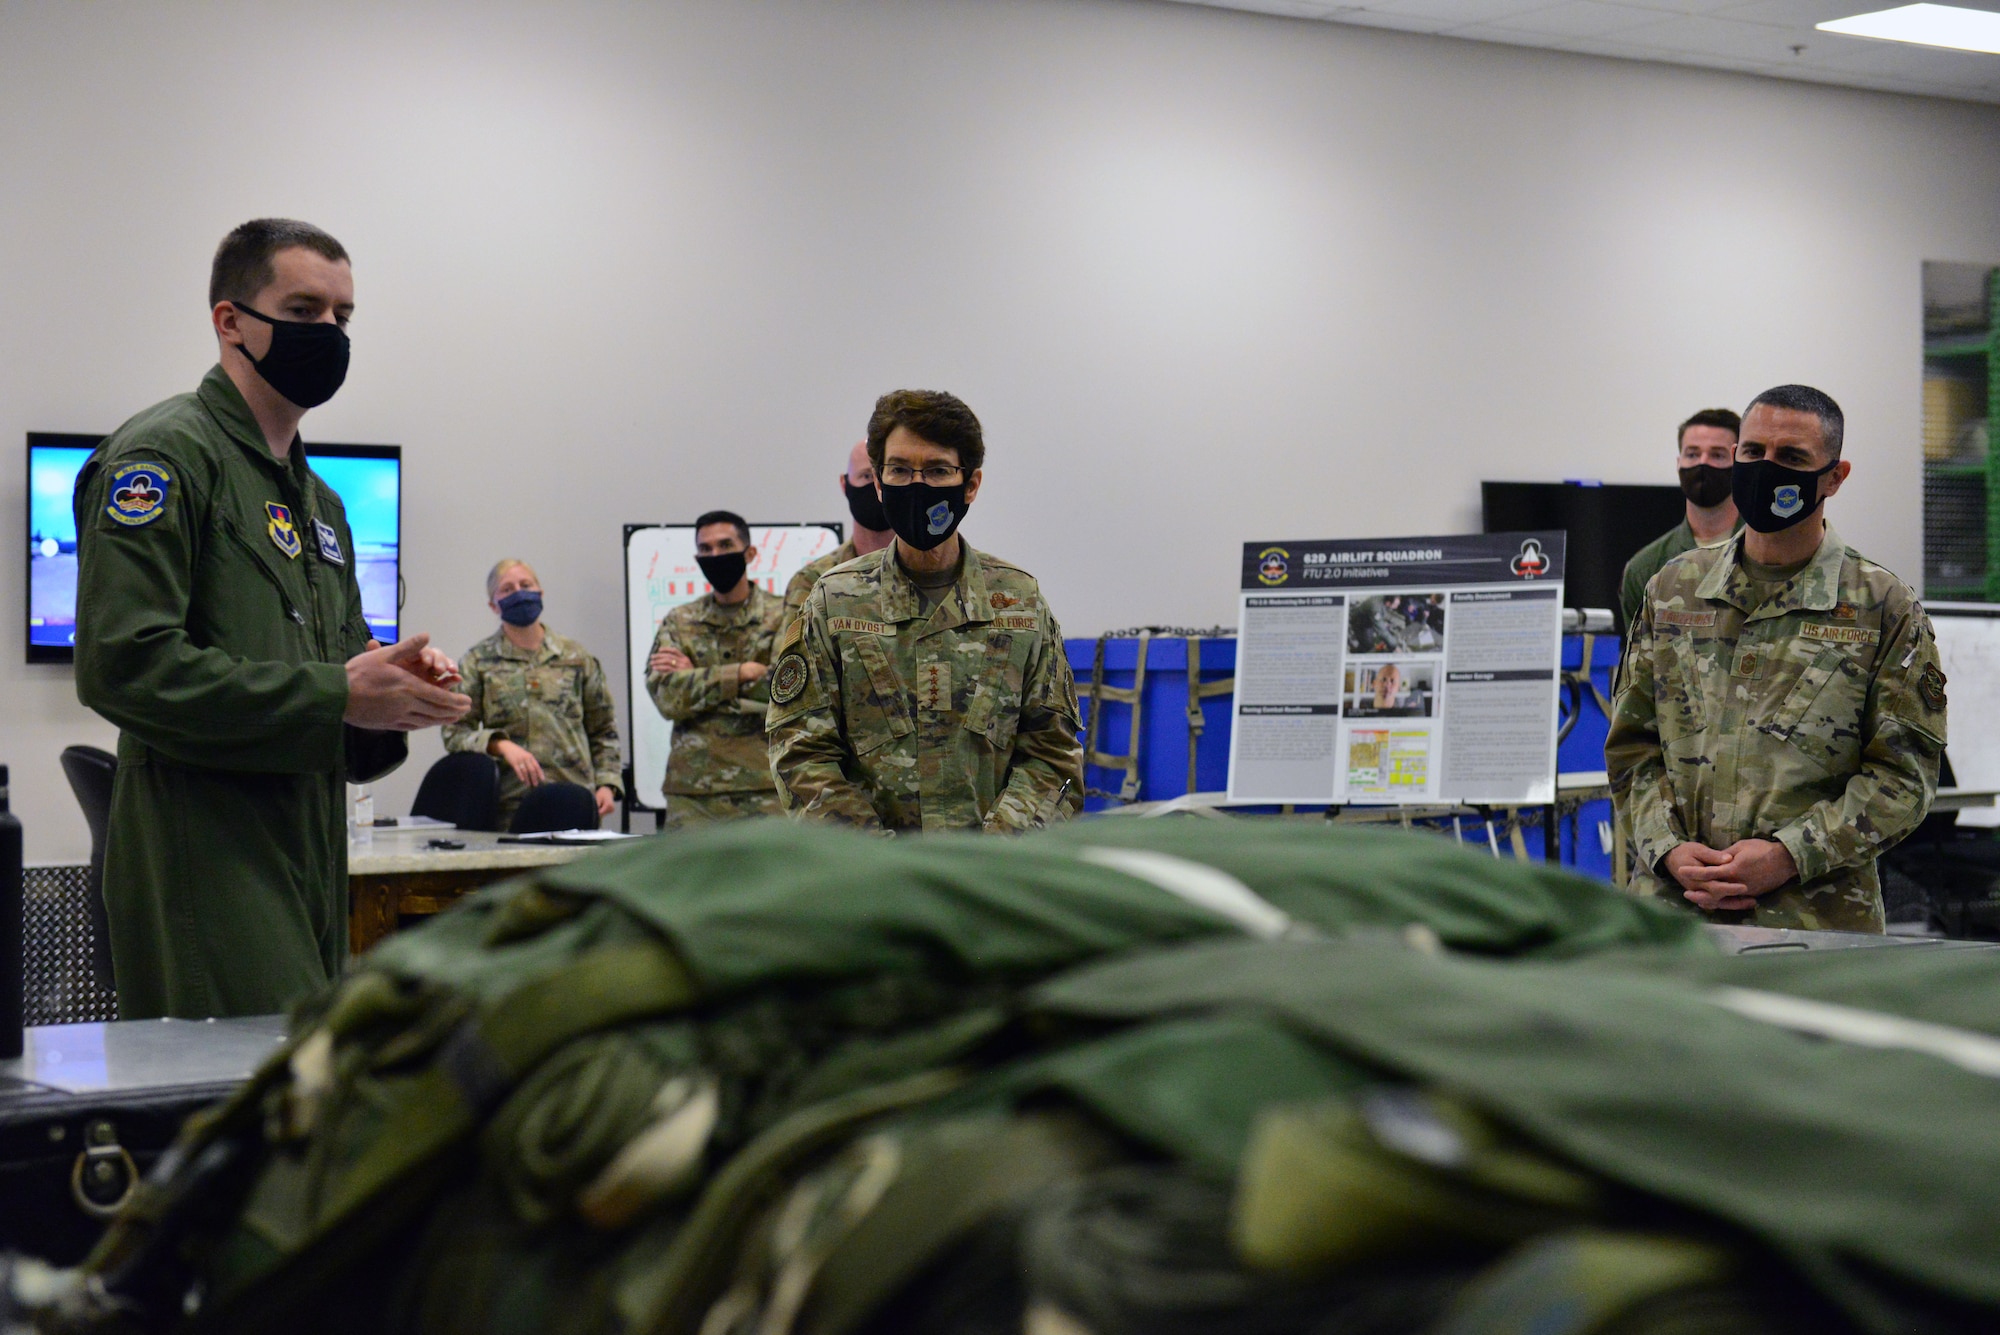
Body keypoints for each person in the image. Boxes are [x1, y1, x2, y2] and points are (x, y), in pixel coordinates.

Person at [72, 218, 469, 1019]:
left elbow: (337, 678)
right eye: (304, 309)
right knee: (250, 1107)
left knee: (300, 1102)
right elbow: (122, 664)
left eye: (342, 318)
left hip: (310, 846)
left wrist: (390, 693)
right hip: (207, 853)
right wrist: (336, 696)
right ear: (230, 321)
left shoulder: (321, 502)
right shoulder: (163, 458)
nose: (328, 334)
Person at [1605, 385, 1945, 933]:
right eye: (1752, 453)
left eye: (1791, 458)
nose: (1766, 469)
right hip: (1672, 920)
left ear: (1834, 477)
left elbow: (1902, 781)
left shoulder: (1882, 607)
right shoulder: (1673, 589)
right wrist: (1668, 849)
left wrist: (1789, 855)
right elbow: (1631, 747)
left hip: (1814, 926)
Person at [767, 389, 1084, 832]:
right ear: (877, 483)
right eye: (899, 469)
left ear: (970, 484)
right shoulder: (834, 602)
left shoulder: (1020, 603)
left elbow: (1053, 756)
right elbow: (801, 754)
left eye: (937, 470)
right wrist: (888, 869)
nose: (917, 486)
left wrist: (992, 860)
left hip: (992, 884)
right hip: (873, 887)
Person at [442, 559, 624, 826]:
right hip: (511, 808)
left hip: (575, 801)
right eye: (507, 589)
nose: (519, 593)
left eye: (526, 585)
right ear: (493, 605)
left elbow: (603, 729)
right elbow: (455, 733)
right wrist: (500, 744)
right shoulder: (477, 662)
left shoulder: (576, 656)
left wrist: (607, 784)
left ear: (540, 592)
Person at [644, 511, 788, 825]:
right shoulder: (680, 621)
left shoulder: (784, 614)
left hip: (766, 789)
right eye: (705, 549)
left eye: (725, 545)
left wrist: (696, 676)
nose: (715, 556)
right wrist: (741, 673)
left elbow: (785, 690)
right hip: (693, 794)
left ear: (749, 553)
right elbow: (667, 697)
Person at [1617, 408, 1743, 634]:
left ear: (1740, 464)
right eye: (1692, 454)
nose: (1703, 464)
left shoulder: (1768, 554)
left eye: (1717, 455)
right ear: (1678, 463)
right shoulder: (1647, 568)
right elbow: (1638, 662)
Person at [781, 440, 895, 631]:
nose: (876, 486)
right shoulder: (813, 581)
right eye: (866, 476)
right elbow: (793, 658)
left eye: (886, 475)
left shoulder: (927, 571)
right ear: (845, 484)